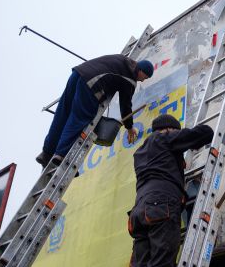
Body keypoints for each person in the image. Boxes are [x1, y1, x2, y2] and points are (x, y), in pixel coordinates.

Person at [36, 54, 154, 168]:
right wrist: (129, 127)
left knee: (63, 113)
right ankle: (61, 154)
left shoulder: (122, 59)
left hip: (78, 73)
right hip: (91, 82)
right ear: (141, 71)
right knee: (80, 118)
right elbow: (125, 106)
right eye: (146, 77)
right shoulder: (130, 79)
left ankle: (47, 152)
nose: (143, 81)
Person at [129, 114, 214, 267]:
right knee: (162, 263)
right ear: (168, 129)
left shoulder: (140, 152)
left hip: (139, 213)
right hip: (160, 206)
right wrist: (186, 139)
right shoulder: (165, 138)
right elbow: (206, 133)